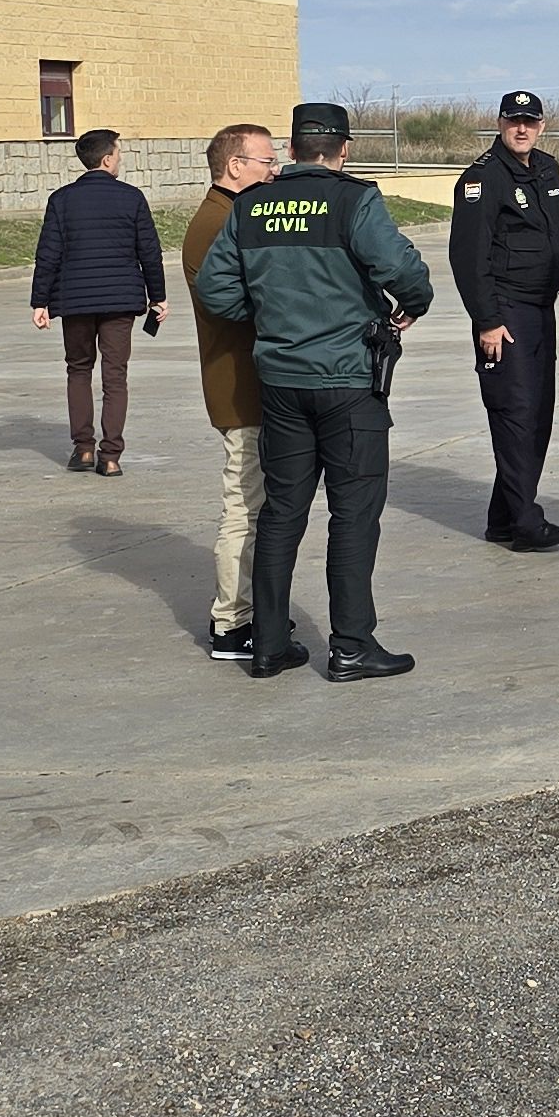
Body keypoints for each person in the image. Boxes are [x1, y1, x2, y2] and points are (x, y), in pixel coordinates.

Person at [195, 102, 437, 682]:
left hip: (280, 382)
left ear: (295, 148)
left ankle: (270, 646)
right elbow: (403, 270)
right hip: (349, 381)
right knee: (353, 515)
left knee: (280, 514)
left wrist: (270, 316)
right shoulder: (355, 200)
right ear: (343, 150)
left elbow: (214, 288)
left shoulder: (250, 207)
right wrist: (413, 304)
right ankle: (351, 645)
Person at [448, 90, 559, 554]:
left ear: (541, 125)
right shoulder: (482, 180)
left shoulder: (546, 168)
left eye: (529, 121)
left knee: (538, 412)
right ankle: (526, 522)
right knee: (515, 412)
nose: (521, 129)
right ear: (500, 125)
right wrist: (486, 319)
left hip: (541, 308)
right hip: (504, 312)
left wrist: (556, 272)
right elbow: (467, 255)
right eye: (513, 122)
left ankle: (502, 517)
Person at [178, 122, 281, 660]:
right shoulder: (218, 223)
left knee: (258, 504)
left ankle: (250, 611)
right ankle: (231, 622)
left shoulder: (233, 216)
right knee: (244, 504)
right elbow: (242, 302)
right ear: (235, 166)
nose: (275, 169)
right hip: (239, 386)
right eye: (266, 160)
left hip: (249, 382)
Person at [31, 127, 167, 475]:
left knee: (78, 369)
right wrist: (158, 298)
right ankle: (110, 457)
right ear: (107, 159)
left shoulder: (61, 200)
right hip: (121, 301)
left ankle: (84, 449)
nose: (120, 159)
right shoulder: (132, 197)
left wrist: (40, 301)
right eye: (119, 154)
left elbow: (48, 254)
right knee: (115, 376)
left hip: (75, 300)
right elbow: (149, 252)